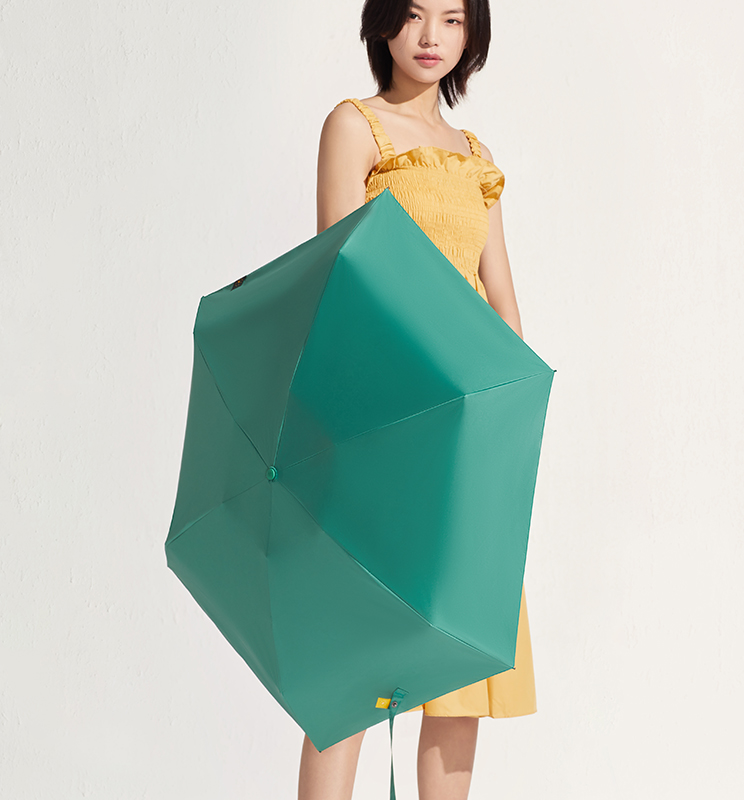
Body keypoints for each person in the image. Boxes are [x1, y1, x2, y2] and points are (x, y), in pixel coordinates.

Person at [299, 1, 536, 798]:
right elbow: (340, 277)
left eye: (454, 19)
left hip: (470, 424)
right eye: (413, 14)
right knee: (350, 667)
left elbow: (503, 307)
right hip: (387, 416)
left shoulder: (476, 156)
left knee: (460, 669)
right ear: (382, 24)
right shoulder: (355, 126)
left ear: (473, 33)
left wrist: (500, 412)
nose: (432, 37)